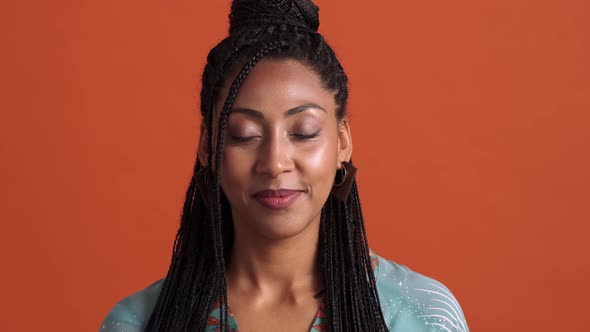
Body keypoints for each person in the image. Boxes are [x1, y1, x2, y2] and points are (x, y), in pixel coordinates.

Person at [100, 0, 469, 331]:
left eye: (304, 132)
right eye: (245, 134)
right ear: (207, 147)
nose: (275, 163)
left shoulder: (422, 316)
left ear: (342, 142)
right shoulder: (138, 322)